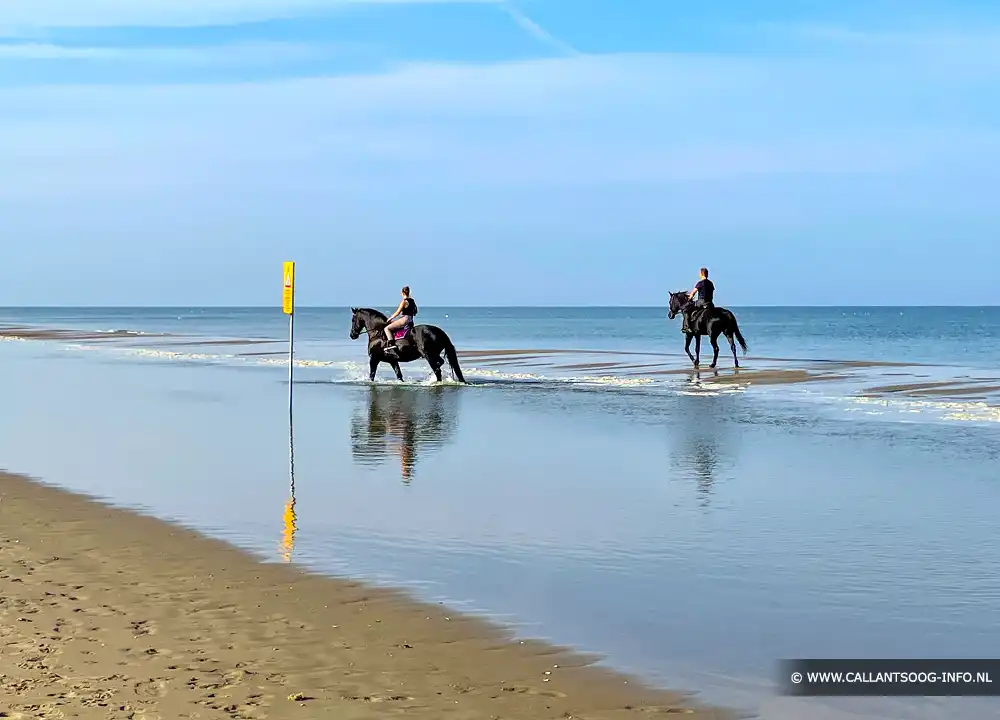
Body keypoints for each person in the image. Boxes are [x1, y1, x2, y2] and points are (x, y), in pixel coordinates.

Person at [383, 286, 418, 353]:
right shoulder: (412, 301)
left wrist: (390, 319)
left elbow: (397, 312)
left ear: (402, 293)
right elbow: (415, 311)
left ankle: (391, 345)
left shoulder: (404, 301)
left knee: (387, 329)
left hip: (405, 319)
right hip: (411, 320)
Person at [682, 267, 714, 334]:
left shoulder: (700, 283)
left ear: (701, 274)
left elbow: (693, 293)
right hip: (710, 303)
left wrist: (689, 298)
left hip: (701, 302)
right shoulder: (711, 283)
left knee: (686, 311)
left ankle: (687, 327)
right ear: (707, 274)